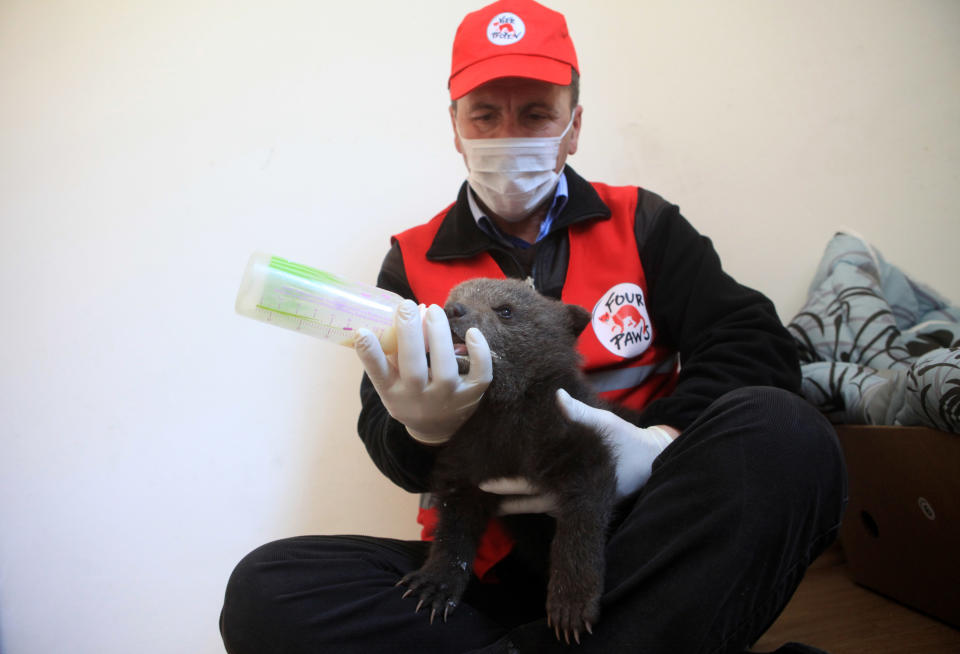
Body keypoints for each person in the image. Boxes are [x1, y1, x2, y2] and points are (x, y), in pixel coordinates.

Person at [219, 1, 846, 652]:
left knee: (790, 433)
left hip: (638, 541)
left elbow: (755, 345)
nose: (506, 134)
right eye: (485, 115)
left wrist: (658, 444)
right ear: (456, 128)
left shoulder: (645, 224)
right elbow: (382, 433)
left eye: (536, 113)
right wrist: (419, 428)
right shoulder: (409, 258)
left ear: (574, 126)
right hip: (486, 568)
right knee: (268, 590)